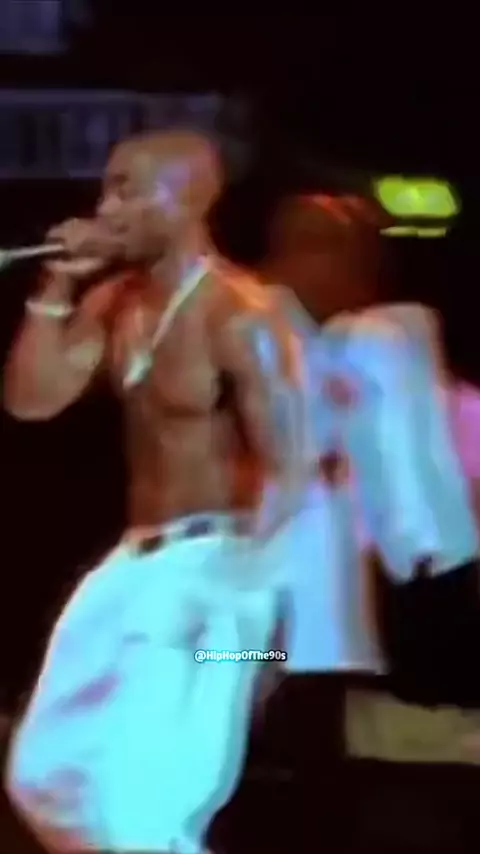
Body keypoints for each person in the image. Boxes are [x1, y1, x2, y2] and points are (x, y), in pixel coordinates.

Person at [2, 130, 310, 854]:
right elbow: (30, 402)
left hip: (216, 572)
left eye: (126, 190)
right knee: (42, 774)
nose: (104, 208)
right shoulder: (115, 302)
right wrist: (55, 288)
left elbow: (293, 466)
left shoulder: (240, 314)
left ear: (187, 200)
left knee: (142, 805)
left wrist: (259, 622)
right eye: (105, 189)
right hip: (132, 569)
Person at [256, 190, 480, 845]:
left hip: (406, 724)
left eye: (334, 248)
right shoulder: (241, 365)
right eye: (295, 246)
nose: (301, 267)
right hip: (274, 669)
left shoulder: (433, 395)